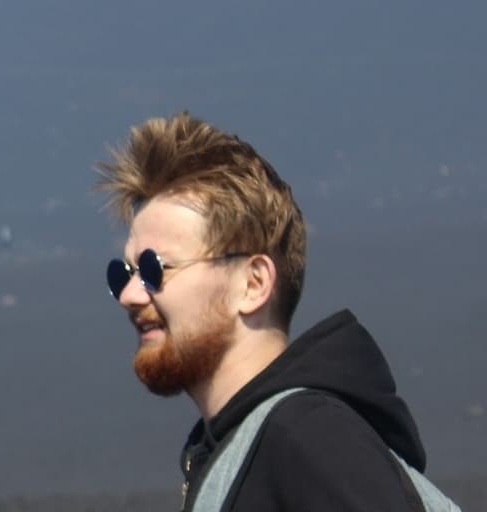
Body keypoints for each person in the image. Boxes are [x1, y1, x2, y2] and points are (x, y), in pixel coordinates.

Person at [97, 112, 452, 511]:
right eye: (123, 273)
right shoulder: (241, 452)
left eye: (153, 269)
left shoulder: (311, 438)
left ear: (253, 284)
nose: (129, 295)